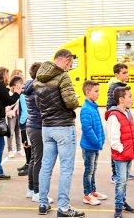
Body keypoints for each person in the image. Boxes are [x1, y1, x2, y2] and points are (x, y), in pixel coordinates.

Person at [33, 49, 83, 217]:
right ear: (66, 60)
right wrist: (76, 100)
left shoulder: (38, 79)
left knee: (46, 167)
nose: (70, 67)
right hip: (63, 127)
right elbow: (70, 103)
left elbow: (38, 105)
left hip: (46, 127)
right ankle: (63, 207)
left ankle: (42, 203)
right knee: (66, 169)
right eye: (70, 63)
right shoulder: (63, 77)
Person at [22, 62, 53, 204]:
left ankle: (31, 189)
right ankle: (37, 192)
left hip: (31, 125)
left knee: (34, 159)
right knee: (39, 160)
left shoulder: (29, 86)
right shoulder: (38, 88)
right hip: (38, 126)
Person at [105, 86, 134, 218]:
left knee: (124, 181)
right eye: (130, 96)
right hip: (121, 155)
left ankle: (122, 202)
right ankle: (118, 208)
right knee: (121, 181)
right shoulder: (114, 116)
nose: (133, 98)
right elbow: (113, 139)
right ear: (121, 99)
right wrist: (122, 150)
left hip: (129, 153)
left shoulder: (128, 112)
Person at [106, 63, 134, 183]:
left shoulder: (120, 85)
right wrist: (116, 116)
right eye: (124, 73)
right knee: (117, 145)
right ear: (116, 74)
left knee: (123, 144)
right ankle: (116, 174)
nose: (127, 75)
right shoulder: (115, 87)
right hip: (116, 118)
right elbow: (112, 105)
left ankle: (122, 172)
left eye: (127, 72)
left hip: (121, 117)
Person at [80, 80, 107, 206]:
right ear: (87, 92)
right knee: (89, 170)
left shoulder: (93, 106)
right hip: (89, 146)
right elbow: (87, 128)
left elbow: (98, 126)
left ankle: (93, 191)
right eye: (96, 91)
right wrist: (96, 141)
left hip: (95, 145)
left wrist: (102, 138)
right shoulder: (86, 109)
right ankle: (87, 194)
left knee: (93, 169)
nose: (98, 94)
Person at [6, 76, 24, 158]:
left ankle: (19, 149)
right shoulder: (9, 94)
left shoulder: (21, 93)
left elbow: (20, 103)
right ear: (13, 86)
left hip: (18, 114)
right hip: (11, 115)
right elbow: (7, 106)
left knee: (18, 133)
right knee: (11, 133)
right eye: (18, 86)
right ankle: (10, 150)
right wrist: (11, 110)